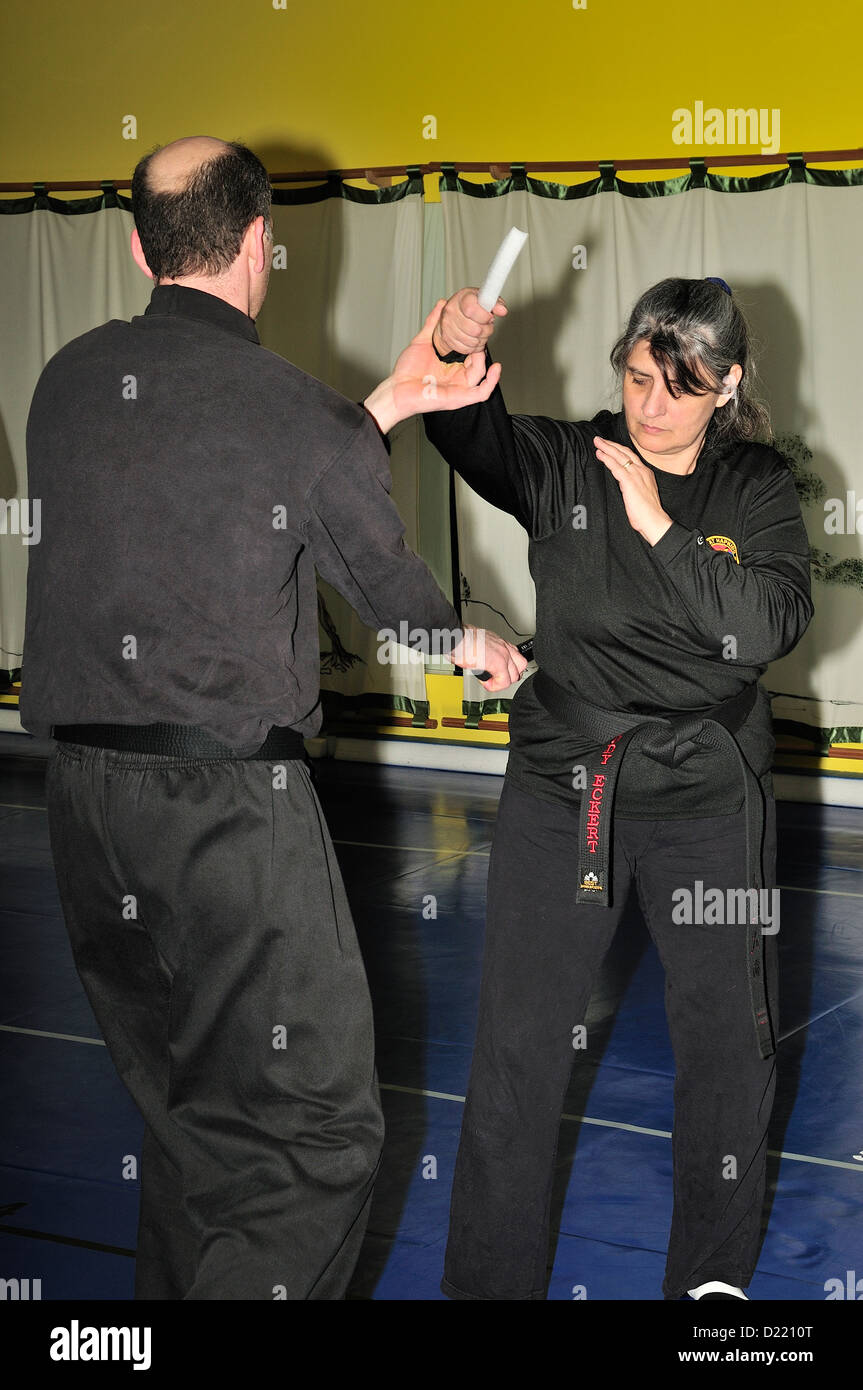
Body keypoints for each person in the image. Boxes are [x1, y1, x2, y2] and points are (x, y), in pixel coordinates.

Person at [21, 136, 526, 1300]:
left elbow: (224, 475)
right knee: (312, 1140)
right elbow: (388, 593)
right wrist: (474, 645)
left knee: (190, 1124)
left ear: (137, 246)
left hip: (88, 813)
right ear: (261, 244)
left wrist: (392, 398)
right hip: (226, 822)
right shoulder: (290, 412)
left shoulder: (71, 380)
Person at [420, 276, 813, 1301]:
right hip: (566, 788)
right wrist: (459, 359)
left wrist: (656, 525)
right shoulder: (564, 460)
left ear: (724, 386)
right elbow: (468, 439)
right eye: (636, 378)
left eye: (679, 389)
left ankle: (709, 1286)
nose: (648, 408)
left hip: (707, 800)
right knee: (515, 1045)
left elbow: (765, 625)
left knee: (728, 1044)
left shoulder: (757, 487)